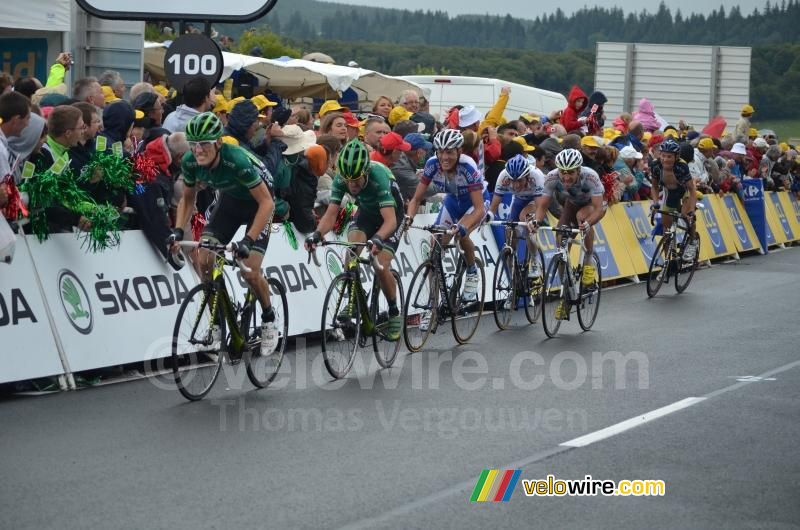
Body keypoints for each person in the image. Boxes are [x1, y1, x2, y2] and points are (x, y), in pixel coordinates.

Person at [169, 112, 279, 356]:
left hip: (258, 204)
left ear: (218, 143)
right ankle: (218, 324)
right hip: (229, 203)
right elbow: (187, 199)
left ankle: (270, 319)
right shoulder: (189, 162)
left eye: (204, 144)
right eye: (194, 144)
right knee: (205, 259)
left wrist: (248, 240)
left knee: (250, 270)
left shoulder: (236, 160)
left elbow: (267, 204)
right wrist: (177, 230)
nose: (198, 151)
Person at [304, 140, 405, 340]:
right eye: (348, 180)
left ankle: (394, 312)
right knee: (351, 252)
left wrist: (377, 238)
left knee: (381, 265)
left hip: (392, 217)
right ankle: (352, 300)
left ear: (366, 172)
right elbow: (331, 214)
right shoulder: (341, 179)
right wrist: (317, 234)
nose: (352, 185)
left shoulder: (379, 177)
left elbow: (390, 221)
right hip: (366, 214)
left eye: (357, 180)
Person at [406, 129, 487, 313]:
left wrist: (463, 226)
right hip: (452, 201)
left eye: (449, 152)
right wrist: (409, 217)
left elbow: (479, 208)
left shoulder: (468, 166)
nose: (444, 157)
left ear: (459, 151)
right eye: (440, 151)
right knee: (434, 247)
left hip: (475, 203)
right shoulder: (432, 165)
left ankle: (472, 271)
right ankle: (433, 304)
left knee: (461, 233)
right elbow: (416, 198)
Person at [531, 149, 604, 319]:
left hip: (592, 205)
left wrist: (588, 223)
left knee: (582, 218)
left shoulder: (590, 176)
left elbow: (599, 209)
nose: (566, 177)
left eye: (571, 173)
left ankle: (589, 259)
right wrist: (536, 222)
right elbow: (542, 206)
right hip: (571, 204)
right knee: (560, 242)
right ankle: (568, 292)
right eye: (563, 172)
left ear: (579, 170)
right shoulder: (552, 177)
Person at [487, 154, 545, 285]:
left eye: (519, 180)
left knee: (526, 218)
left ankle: (535, 260)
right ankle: (514, 279)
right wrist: (488, 215)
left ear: (527, 176)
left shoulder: (536, 176)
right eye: (513, 181)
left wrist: (535, 222)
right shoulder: (503, 176)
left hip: (535, 200)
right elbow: (494, 205)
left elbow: (540, 206)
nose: (516, 184)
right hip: (518, 200)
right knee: (510, 232)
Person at [649, 138, 698, 262]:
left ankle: (692, 242)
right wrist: (655, 203)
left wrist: (691, 210)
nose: (665, 159)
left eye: (669, 156)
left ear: (676, 157)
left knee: (685, 216)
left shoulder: (682, 166)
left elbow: (692, 190)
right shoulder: (655, 165)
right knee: (666, 231)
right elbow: (654, 187)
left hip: (684, 192)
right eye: (663, 156)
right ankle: (668, 261)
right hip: (670, 194)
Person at [392, 132, 433, 201]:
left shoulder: (402, 160)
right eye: (425, 150)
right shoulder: (402, 167)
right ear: (419, 152)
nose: (426, 153)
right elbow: (425, 190)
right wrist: (441, 182)